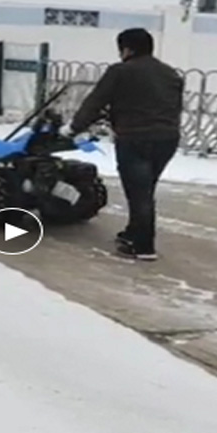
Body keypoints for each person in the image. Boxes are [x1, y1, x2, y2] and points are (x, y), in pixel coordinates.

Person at [66, 28, 184, 261]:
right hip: (167, 139)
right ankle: (133, 232)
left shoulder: (120, 71)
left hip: (135, 138)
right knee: (145, 188)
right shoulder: (171, 74)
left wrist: (74, 128)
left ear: (127, 49)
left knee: (139, 193)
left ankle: (143, 246)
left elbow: (95, 101)